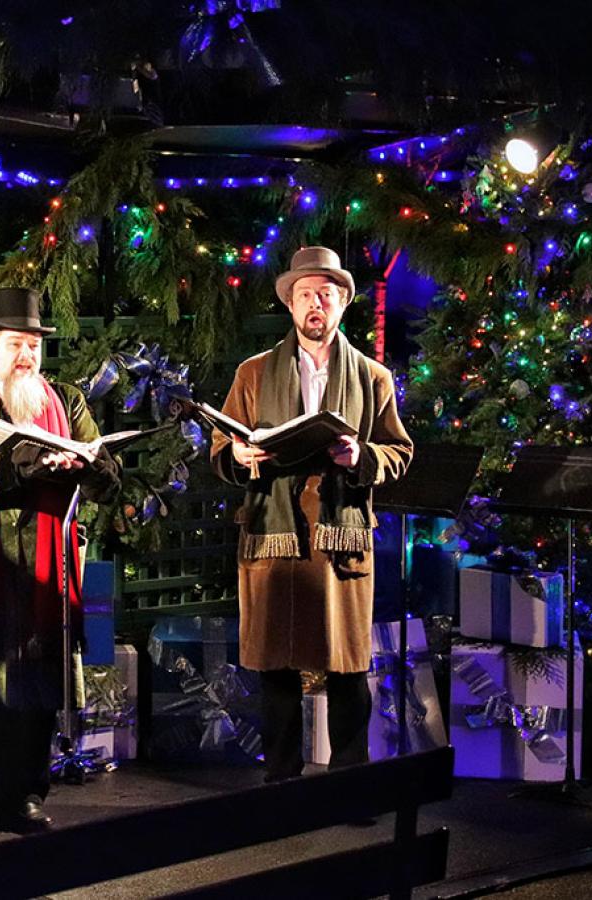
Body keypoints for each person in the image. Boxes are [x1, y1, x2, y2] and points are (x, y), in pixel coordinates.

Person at [210, 247, 413, 781]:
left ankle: (349, 781)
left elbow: (399, 450)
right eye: (305, 295)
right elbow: (221, 442)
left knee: (347, 666)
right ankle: (280, 780)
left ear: (343, 303)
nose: (315, 304)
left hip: (338, 533)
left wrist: (362, 456)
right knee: (276, 664)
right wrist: (237, 453)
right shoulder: (254, 374)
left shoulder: (372, 377)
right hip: (273, 533)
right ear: (291, 305)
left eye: (326, 293)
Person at [0, 287, 121, 841]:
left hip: (46, 566)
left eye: (33, 345)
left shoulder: (66, 400)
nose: (26, 357)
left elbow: (99, 460)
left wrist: (88, 465)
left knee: (38, 687)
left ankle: (28, 795)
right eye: (15, 344)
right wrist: (23, 466)